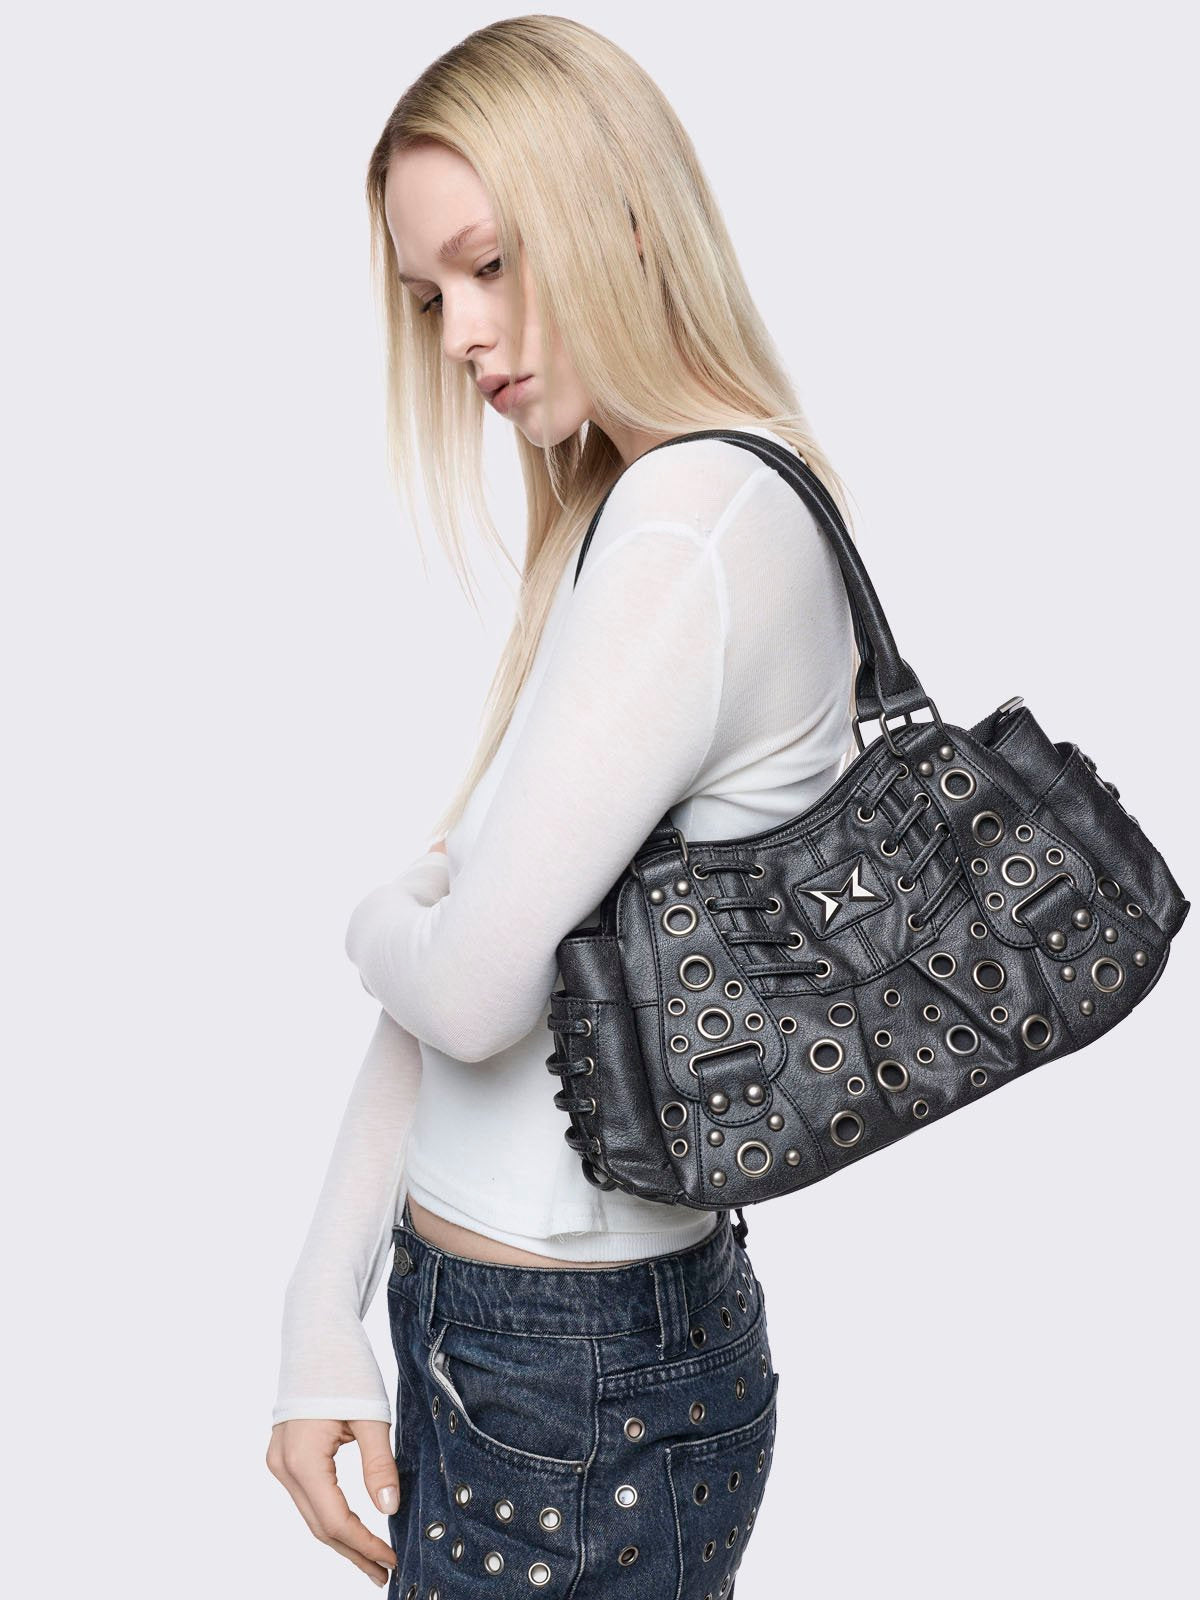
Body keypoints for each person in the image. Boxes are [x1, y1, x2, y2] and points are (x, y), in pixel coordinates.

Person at [267, 15, 857, 1596]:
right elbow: (463, 989)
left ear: (626, 217)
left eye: (491, 264)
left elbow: (466, 990)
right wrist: (322, 1315)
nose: (462, 335)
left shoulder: (692, 526)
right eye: (430, 296)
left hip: (569, 1385)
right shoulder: (636, 510)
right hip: (528, 1358)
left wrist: (373, 916)